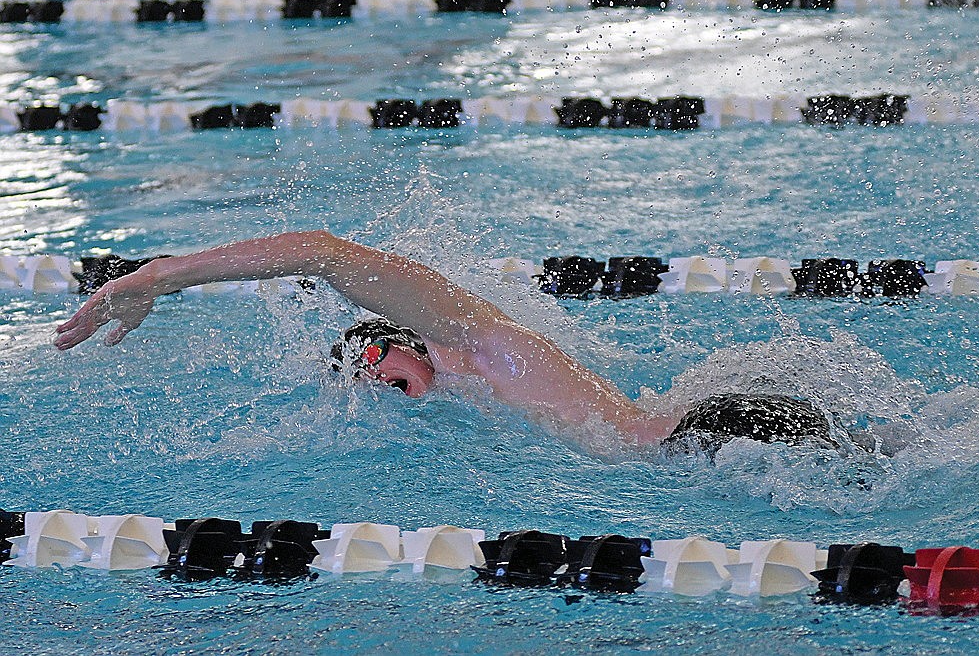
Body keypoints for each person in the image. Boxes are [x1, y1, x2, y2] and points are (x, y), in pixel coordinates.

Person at [54, 230, 833, 451]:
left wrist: (162, 274)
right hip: (696, 451)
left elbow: (326, 255)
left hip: (715, 435)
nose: (369, 381)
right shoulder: (463, 407)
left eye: (368, 359)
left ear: (402, 335)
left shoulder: (469, 339)